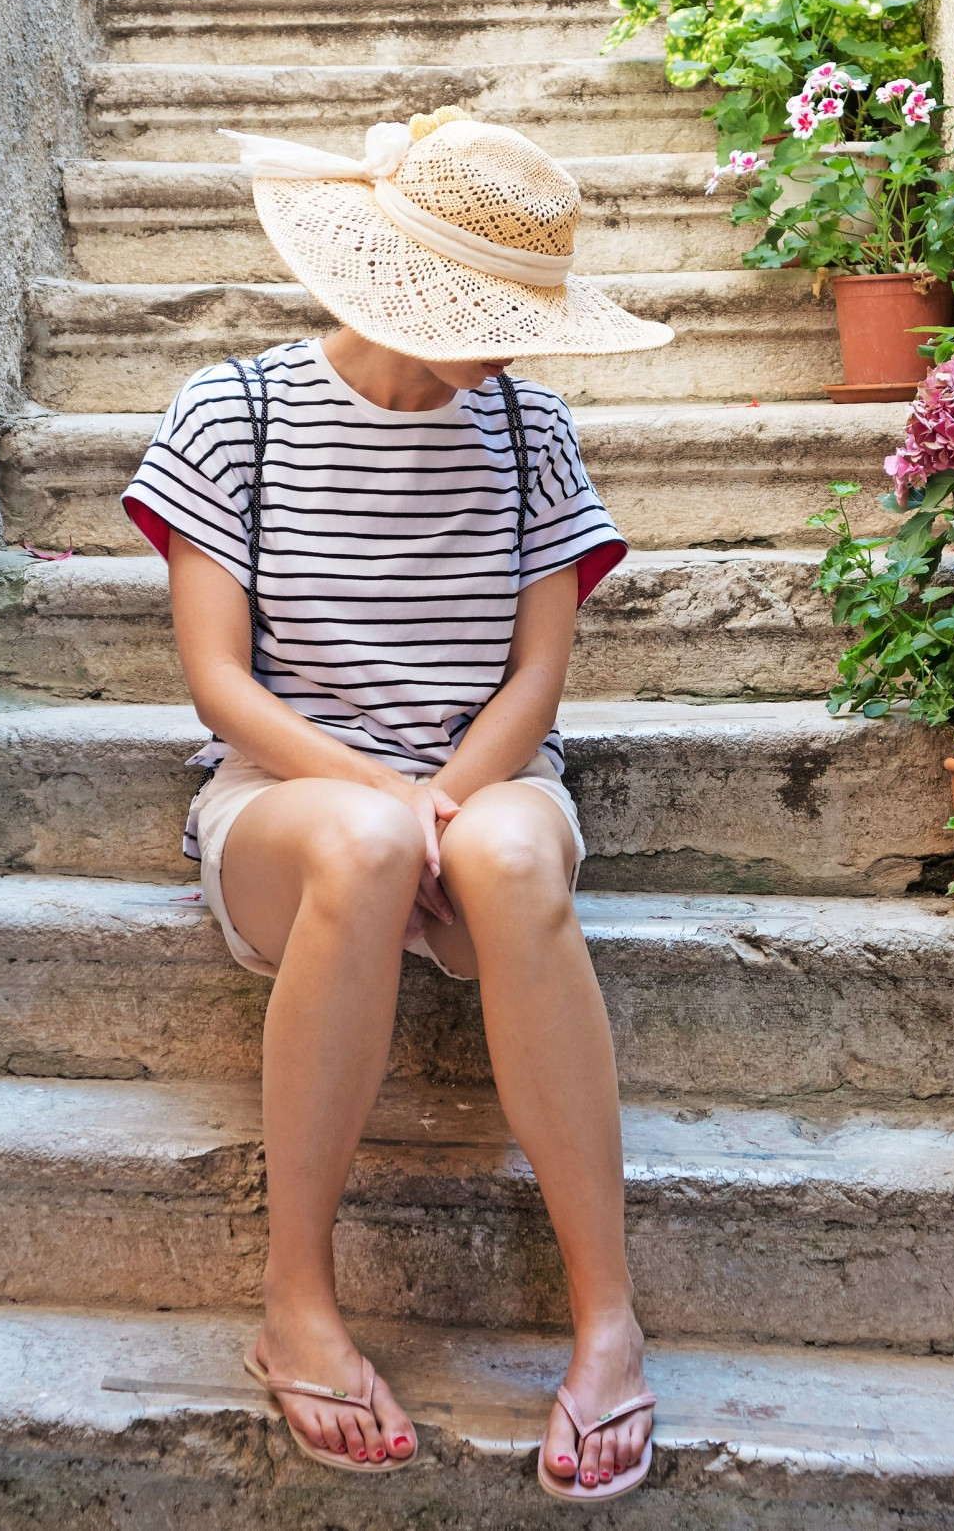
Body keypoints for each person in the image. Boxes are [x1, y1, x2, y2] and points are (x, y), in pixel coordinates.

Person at [122, 105, 674, 1504]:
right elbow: (218, 684)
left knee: (502, 852)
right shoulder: (230, 409)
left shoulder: (532, 425)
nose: (506, 341)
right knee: (366, 842)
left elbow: (538, 676)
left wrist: (448, 793)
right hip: (290, 803)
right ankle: (294, 1298)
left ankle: (609, 1321)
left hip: (486, 781)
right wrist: (387, 795)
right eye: (479, 308)